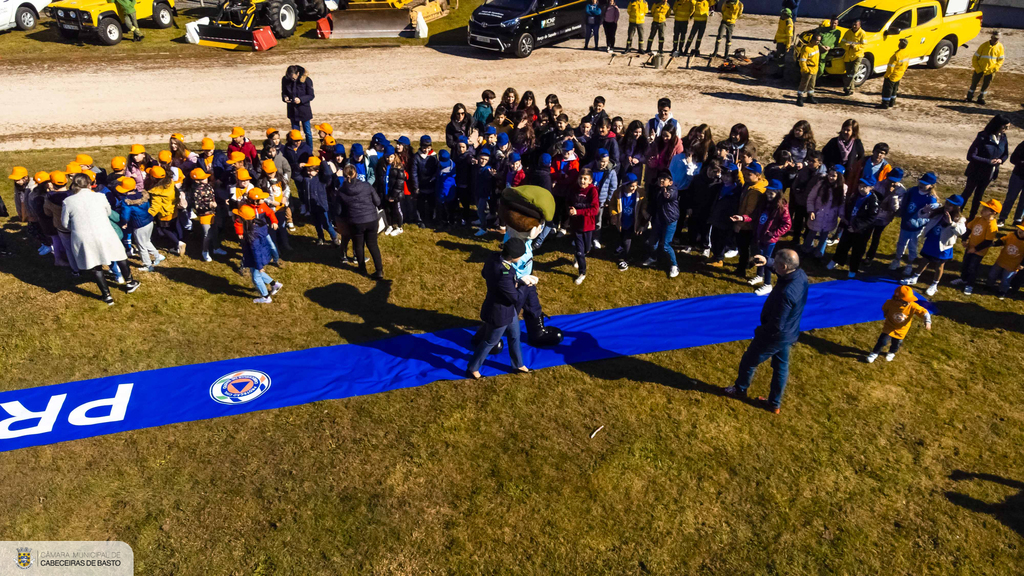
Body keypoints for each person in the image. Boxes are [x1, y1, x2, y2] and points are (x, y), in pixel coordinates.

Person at [724, 248, 808, 414]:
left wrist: (761, 331)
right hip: (789, 333)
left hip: (775, 336)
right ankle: (774, 403)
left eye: (776, 263)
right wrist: (768, 262)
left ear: (783, 266)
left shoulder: (786, 294)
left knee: (749, 360)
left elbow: (776, 324)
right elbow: (782, 271)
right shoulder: (800, 275)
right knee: (781, 367)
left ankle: (740, 389)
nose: (773, 265)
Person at [60, 174, 140, 305]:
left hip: (84, 237)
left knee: (94, 264)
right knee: (120, 256)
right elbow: (108, 212)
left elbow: (65, 223)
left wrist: (77, 227)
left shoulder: (68, 201)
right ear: (89, 184)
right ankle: (130, 282)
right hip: (104, 231)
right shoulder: (100, 196)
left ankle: (106, 295)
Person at [466, 238, 530, 380]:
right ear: (513, 257)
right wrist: (524, 284)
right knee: (490, 341)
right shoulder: (504, 275)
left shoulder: (494, 258)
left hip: (506, 309)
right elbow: (515, 298)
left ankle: (518, 365)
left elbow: (484, 274)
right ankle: (472, 368)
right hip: (499, 313)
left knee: (515, 335)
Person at [902, 195, 967, 296]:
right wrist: (924, 210)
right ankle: (914, 277)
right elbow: (922, 215)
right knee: (924, 260)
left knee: (939, 266)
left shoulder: (960, 219)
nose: (947, 206)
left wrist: (951, 224)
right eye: (947, 203)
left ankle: (934, 285)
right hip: (932, 241)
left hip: (943, 245)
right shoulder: (938, 212)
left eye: (950, 205)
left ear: (956, 207)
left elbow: (961, 232)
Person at [337, 164, 384, 280]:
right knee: (373, 245)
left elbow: (339, 211)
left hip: (355, 221)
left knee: (358, 245)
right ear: (356, 174)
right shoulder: (367, 186)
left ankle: (362, 268)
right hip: (372, 219)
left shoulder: (341, 191)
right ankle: (379, 271)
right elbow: (378, 202)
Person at [744, 179, 790, 295]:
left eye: (772, 193)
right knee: (759, 257)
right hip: (760, 236)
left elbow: (787, 224)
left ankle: (767, 284)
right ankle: (759, 275)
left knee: (767, 260)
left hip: (770, 240)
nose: (769, 195)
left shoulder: (781, 207)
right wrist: (743, 218)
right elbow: (755, 216)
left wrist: (773, 233)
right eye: (768, 191)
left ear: (778, 193)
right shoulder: (763, 203)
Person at [826, 178, 879, 278]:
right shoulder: (855, 195)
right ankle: (836, 260)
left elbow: (871, 218)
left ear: (871, 188)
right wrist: (845, 221)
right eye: (860, 185)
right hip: (849, 226)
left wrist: (856, 227)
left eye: (865, 187)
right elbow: (848, 208)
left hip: (861, 231)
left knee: (857, 251)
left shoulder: (873, 201)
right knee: (842, 245)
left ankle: (853, 268)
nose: (861, 188)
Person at [890, 171, 940, 275]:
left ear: (931, 186)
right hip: (906, 222)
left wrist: (921, 220)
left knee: (913, 246)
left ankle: (909, 264)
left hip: (917, 226)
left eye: (925, 184)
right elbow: (905, 202)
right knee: (901, 243)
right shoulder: (912, 191)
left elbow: (930, 216)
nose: (921, 185)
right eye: (921, 182)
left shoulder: (931, 199)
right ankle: (897, 260)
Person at [866, 286, 932, 363]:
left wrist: (927, 321)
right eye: (906, 300)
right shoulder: (890, 303)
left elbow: (924, 312)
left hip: (902, 329)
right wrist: (886, 315)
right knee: (882, 341)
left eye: (910, 300)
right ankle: (874, 353)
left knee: (896, 343)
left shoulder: (912, 306)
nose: (908, 302)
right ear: (897, 298)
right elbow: (885, 309)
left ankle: (891, 352)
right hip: (889, 326)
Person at [962, 114, 1010, 221]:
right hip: (976, 171)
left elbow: (1005, 153)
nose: (1006, 130)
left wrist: (1001, 160)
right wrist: (989, 161)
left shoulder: (1003, 138)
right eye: (1005, 127)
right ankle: (957, 212)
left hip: (989, 173)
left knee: (979, 195)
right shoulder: (983, 137)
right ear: (997, 125)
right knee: (967, 193)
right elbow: (971, 156)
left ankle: (972, 217)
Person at [233, 201, 282, 304]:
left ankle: (265, 297)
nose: (237, 218)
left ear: (245, 219)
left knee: (256, 278)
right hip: (259, 256)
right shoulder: (254, 227)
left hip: (257, 258)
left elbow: (256, 251)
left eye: (239, 216)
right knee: (257, 274)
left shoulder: (252, 235)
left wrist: (259, 266)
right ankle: (274, 284)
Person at [952, 198, 1001, 295]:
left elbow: (988, 241)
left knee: (973, 267)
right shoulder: (978, 219)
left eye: (986, 209)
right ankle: (963, 279)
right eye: (983, 207)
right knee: (965, 263)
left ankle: (970, 284)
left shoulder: (992, 226)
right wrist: (964, 240)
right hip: (970, 248)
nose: (982, 210)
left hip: (979, 251)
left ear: (994, 213)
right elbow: (968, 229)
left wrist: (975, 249)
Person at [641, 170, 680, 277]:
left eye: (664, 179)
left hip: (669, 221)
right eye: (660, 179)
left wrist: (667, 193)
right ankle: (653, 257)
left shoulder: (673, 190)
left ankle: (674, 265)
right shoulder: (656, 190)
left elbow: (670, 195)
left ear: (670, 182)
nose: (661, 181)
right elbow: (652, 203)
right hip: (658, 220)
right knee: (652, 242)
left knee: (666, 245)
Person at [802, 165, 846, 258]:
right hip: (817, 214)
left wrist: (841, 214)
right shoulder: (820, 184)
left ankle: (819, 253)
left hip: (830, 217)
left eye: (833, 176)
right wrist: (811, 211)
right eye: (829, 175)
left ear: (839, 177)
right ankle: (806, 249)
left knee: (824, 236)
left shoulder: (843, 188)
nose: (830, 177)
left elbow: (841, 204)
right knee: (811, 233)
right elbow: (811, 198)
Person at [864, 167, 905, 261]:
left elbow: (895, 209)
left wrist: (893, 195)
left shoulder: (901, 191)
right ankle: (859, 253)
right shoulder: (879, 184)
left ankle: (869, 257)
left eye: (894, 182)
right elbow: (872, 199)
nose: (891, 183)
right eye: (890, 180)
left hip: (884, 219)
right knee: (865, 235)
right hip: (873, 215)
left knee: (876, 237)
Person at [568, 168, 600, 285]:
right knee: (580, 251)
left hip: (588, 226)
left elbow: (595, 209)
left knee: (586, 249)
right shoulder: (574, 189)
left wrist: (579, 211)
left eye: (585, 179)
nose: (582, 181)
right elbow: (570, 202)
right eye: (580, 178)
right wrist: (570, 210)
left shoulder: (593, 191)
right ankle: (582, 273)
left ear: (590, 180)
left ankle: (578, 255)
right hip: (576, 225)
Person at [609, 173, 646, 271]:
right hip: (622, 220)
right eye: (631, 186)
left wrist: (644, 213)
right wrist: (613, 214)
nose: (634, 188)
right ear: (625, 185)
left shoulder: (640, 193)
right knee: (621, 234)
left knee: (627, 239)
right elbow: (612, 205)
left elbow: (644, 205)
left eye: (635, 185)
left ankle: (626, 258)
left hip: (633, 221)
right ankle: (622, 248)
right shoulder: (617, 193)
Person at [986, 224, 1024, 299]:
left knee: (1006, 280)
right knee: (992, 274)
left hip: (1013, 265)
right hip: (1001, 260)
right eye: (1020, 229)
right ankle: (989, 286)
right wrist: (995, 243)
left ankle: (1002, 291)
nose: (1021, 231)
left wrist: (1022, 264)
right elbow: (1003, 240)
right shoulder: (1011, 235)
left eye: (1023, 231)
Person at [967, 30, 1005, 105]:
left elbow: (1001, 60)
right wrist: (978, 68)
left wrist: (994, 69)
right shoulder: (983, 45)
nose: (995, 39)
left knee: (986, 85)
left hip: (991, 70)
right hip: (979, 69)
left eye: (997, 38)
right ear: (991, 37)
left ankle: (981, 98)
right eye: (994, 38)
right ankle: (969, 97)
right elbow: (975, 58)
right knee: (974, 83)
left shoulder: (1000, 47)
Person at [281, 65, 315, 149]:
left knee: (308, 132)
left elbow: (311, 95)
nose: (293, 80)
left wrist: (301, 100)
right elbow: (283, 92)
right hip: (292, 110)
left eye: (294, 78)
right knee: (295, 133)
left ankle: (309, 149)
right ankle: (296, 150)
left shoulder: (306, 80)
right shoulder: (285, 80)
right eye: (291, 78)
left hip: (304, 110)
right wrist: (285, 98)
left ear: (298, 73)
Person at [879, 38, 910, 109]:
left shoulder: (896, 55)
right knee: (894, 90)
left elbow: (891, 68)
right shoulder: (906, 53)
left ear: (900, 45)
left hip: (892, 76)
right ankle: (892, 102)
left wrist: (887, 75)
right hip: (899, 75)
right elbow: (906, 64)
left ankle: (885, 104)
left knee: (887, 90)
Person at [1000, 139, 1024, 227]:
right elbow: (1013, 159)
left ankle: (1018, 219)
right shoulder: (1023, 145)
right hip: (1018, 175)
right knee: (1011, 197)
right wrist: (1022, 163)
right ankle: (1002, 218)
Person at [841, 19, 866, 96]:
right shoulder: (848, 32)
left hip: (858, 56)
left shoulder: (862, 33)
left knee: (854, 72)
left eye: (856, 24)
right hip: (848, 56)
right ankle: (850, 89)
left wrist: (855, 47)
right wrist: (848, 46)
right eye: (853, 24)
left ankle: (847, 87)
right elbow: (842, 43)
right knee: (848, 73)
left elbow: (864, 45)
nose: (854, 26)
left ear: (859, 25)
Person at [795, 31, 821, 106]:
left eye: (819, 41)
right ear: (812, 40)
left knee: (812, 85)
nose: (817, 42)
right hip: (808, 69)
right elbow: (802, 61)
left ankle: (810, 97)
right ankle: (799, 98)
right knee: (804, 84)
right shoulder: (806, 49)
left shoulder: (816, 47)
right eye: (816, 40)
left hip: (814, 69)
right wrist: (805, 70)